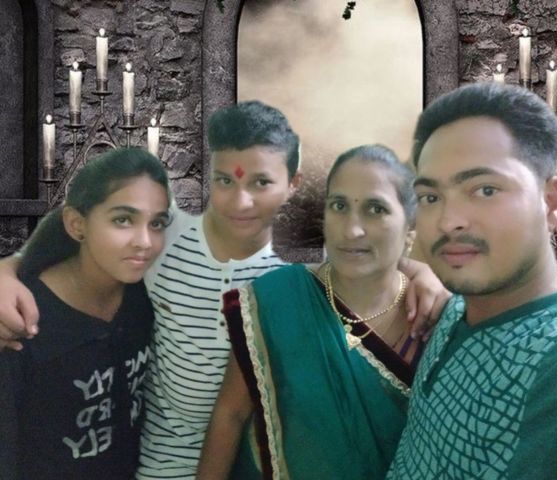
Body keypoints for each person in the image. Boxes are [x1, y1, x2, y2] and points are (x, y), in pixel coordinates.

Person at [0, 102, 445, 479]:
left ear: (292, 185)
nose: (240, 201)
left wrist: (418, 269)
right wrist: (7, 270)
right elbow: (83, 233)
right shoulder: (161, 240)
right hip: (153, 469)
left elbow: (361, 261)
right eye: (225, 180)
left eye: (260, 182)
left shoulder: (286, 280)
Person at [387, 83, 557, 479]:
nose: (448, 221)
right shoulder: (455, 309)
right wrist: (417, 270)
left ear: (551, 203)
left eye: (485, 189)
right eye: (431, 197)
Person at [196, 144, 447, 480]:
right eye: (339, 206)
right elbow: (230, 414)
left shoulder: (438, 318)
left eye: (375, 209)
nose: (351, 230)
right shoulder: (280, 299)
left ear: (409, 231)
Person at [0, 148, 171, 480]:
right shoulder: (21, 319)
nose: (145, 242)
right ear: (77, 225)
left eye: (157, 223)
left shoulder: (144, 295)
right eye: (123, 220)